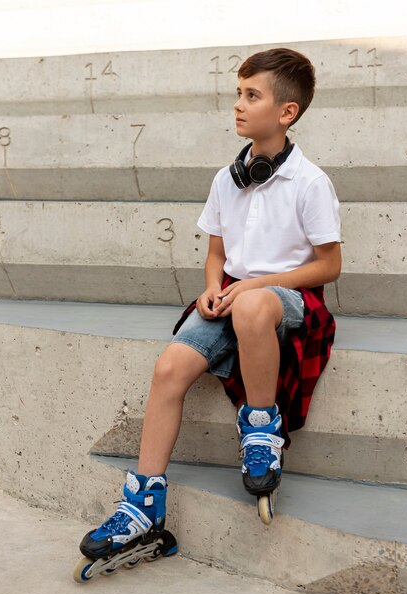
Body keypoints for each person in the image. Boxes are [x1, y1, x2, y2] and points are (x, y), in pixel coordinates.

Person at [78, 47, 341, 559]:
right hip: (235, 295)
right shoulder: (227, 178)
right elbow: (216, 253)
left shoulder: (310, 182)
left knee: (252, 305)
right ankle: (144, 506)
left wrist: (255, 286)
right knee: (171, 366)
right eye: (237, 94)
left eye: (251, 95)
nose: (238, 105)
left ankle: (261, 429)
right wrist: (213, 285)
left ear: (287, 112)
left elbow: (328, 265)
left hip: (288, 298)